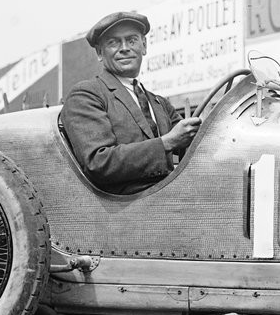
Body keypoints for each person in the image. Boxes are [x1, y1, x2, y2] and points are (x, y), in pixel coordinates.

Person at [63, 11, 200, 194]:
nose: (124, 48)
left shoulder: (159, 103)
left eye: (132, 40)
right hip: (126, 209)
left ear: (144, 46)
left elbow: (191, 145)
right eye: (113, 42)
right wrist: (166, 143)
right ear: (99, 53)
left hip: (170, 196)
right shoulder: (87, 95)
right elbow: (98, 162)